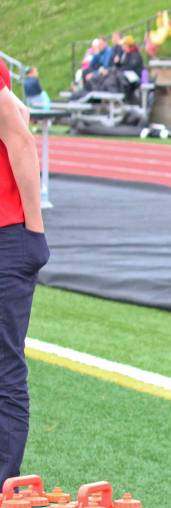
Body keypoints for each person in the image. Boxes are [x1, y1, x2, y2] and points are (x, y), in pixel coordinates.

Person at [0, 58, 49, 486]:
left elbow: (20, 136)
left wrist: (33, 230)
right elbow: (20, 118)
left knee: (3, 368)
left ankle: (2, 487)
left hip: (7, 234)